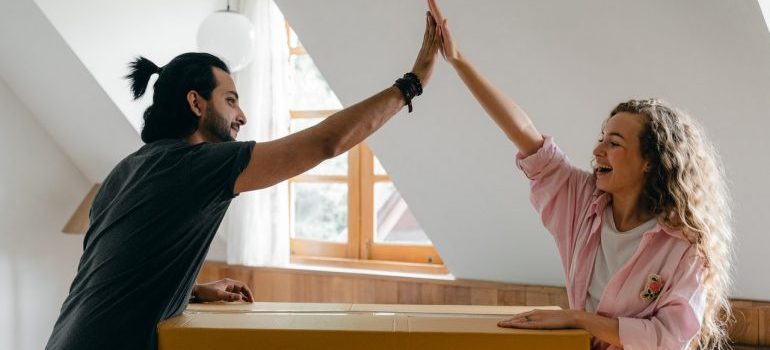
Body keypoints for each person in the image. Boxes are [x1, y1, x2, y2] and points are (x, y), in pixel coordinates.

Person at [45, 12, 441, 350]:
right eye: (231, 99)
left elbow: (116, 270)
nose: (242, 116)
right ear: (196, 102)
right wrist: (413, 83)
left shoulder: (128, 168)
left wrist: (194, 289)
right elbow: (327, 142)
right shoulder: (200, 165)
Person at [426, 1, 733, 349]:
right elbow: (523, 130)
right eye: (601, 139)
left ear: (651, 161)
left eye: (614, 143)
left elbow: (670, 337)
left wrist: (575, 319)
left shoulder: (684, 245)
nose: (598, 151)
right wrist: (458, 61)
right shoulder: (581, 200)